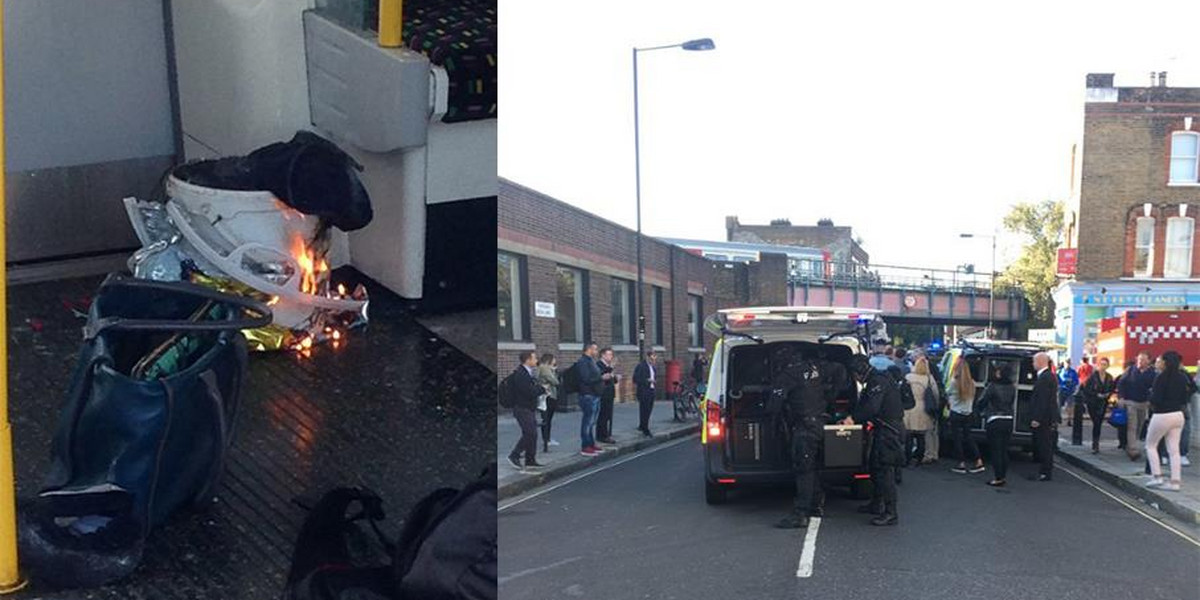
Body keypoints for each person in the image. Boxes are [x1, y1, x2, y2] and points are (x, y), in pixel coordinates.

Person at [774, 349, 834, 529]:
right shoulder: (815, 368)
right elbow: (840, 371)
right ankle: (816, 505)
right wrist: (832, 396)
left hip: (805, 427)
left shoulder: (788, 375)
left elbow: (775, 402)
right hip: (821, 422)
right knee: (813, 467)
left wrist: (773, 414)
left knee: (804, 470)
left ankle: (801, 513)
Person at [844, 354, 905, 526]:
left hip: (889, 430)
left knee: (885, 471)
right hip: (884, 428)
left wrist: (853, 419)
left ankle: (891, 512)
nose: (855, 378)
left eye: (855, 374)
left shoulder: (877, 381)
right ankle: (876, 504)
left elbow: (871, 406)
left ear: (861, 370)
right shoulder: (877, 379)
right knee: (875, 467)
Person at [1144, 351, 1191, 491]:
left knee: (1151, 445)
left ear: (1166, 362)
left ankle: (1156, 477)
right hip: (1178, 415)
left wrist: (1150, 397)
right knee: (1174, 450)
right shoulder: (1182, 377)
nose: (1159, 362)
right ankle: (1175, 482)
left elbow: (1156, 399)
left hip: (1162, 415)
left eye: (1160, 360)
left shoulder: (1161, 378)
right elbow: (1185, 397)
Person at [976, 364, 1016, 486]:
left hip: (994, 419)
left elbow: (982, 401)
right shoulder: (1012, 387)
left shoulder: (992, 386)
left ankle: (998, 477)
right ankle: (1003, 475)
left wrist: (979, 411)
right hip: (1008, 420)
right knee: (1004, 450)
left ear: (1000, 373)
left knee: (996, 450)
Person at [506, 351, 546, 471]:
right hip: (522, 408)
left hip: (528, 408)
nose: (536, 360)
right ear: (527, 360)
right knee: (530, 433)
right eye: (534, 358)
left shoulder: (527, 373)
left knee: (532, 434)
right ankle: (514, 455)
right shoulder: (521, 374)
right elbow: (529, 392)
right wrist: (542, 389)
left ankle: (530, 459)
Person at [946, 357, 984, 474]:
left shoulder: (954, 382)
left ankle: (961, 463)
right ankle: (978, 461)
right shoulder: (971, 383)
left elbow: (947, 393)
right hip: (968, 413)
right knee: (969, 437)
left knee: (957, 438)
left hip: (956, 413)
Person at [1117, 352, 1157, 461]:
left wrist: (1150, 400)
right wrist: (1121, 397)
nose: (1140, 362)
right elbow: (1121, 383)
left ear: (1148, 361)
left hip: (1143, 403)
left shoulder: (1152, 373)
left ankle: (1133, 444)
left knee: (1140, 425)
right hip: (1131, 402)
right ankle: (1133, 449)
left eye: (1143, 360)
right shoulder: (1130, 370)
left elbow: (1155, 388)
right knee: (1132, 426)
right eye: (1139, 359)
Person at [903, 357, 939, 466]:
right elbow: (935, 395)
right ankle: (920, 458)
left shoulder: (908, 377)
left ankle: (907, 458)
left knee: (909, 435)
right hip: (924, 408)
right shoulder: (929, 378)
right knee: (921, 436)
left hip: (910, 408)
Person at [1029, 352, 1059, 481]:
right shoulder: (1047, 376)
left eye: (1034, 362)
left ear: (1040, 362)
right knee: (1043, 445)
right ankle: (1044, 471)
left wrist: (1037, 418)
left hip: (1045, 419)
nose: (1033, 364)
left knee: (1044, 446)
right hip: (1047, 418)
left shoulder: (1045, 378)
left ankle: (1046, 472)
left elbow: (1043, 400)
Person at [1079, 357, 1116, 454]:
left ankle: (1096, 444)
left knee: (1098, 422)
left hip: (1103, 402)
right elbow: (1086, 389)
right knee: (1096, 421)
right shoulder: (1093, 376)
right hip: (1093, 402)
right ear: (1098, 365)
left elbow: (1112, 388)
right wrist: (1096, 394)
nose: (1103, 366)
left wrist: (1108, 394)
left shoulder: (1109, 377)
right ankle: (1095, 444)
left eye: (1105, 364)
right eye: (1102, 364)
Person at [575, 343, 605, 457]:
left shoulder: (591, 361)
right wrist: (601, 377)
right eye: (595, 349)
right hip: (587, 395)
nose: (597, 351)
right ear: (589, 349)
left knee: (592, 422)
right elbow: (586, 378)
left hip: (595, 394)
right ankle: (585, 446)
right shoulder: (583, 362)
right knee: (587, 422)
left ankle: (591, 444)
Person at [536, 354, 560, 452]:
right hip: (548, 396)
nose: (555, 361)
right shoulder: (545, 368)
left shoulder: (543, 368)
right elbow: (555, 381)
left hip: (547, 396)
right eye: (554, 359)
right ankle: (546, 440)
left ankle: (547, 439)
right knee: (547, 419)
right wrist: (553, 371)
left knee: (547, 419)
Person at [595, 348, 619, 444]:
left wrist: (616, 377)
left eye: (611, 355)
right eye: (609, 355)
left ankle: (607, 433)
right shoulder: (599, 365)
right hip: (603, 393)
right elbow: (602, 376)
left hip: (610, 393)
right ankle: (602, 435)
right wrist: (611, 369)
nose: (611, 357)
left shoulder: (608, 366)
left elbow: (612, 379)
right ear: (603, 355)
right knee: (603, 415)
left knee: (609, 415)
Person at [633, 350, 658, 437]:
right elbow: (635, 379)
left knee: (649, 409)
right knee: (645, 410)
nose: (653, 361)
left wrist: (654, 381)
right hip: (643, 391)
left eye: (655, 359)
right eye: (651, 359)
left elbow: (654, 377)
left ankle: (642, 425)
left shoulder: (653, 367)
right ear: (647, 357)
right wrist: (647, 381)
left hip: (651, 390)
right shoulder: (641, 366)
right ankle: (645, 429)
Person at [1058, 358, 1080, 426]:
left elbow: (1076, 382)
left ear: (1070, 364)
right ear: (1064, 364)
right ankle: (1058, 419)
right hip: (1062, 390)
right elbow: (1057, 381)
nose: (1067, 364)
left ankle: (1069, 420)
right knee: (1058, 405)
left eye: (1068, 363)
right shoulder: (1060, 371)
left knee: (1069, 406)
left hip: (1070, 391)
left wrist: (1075, 388)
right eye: (1066, 363)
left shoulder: (1073, 372)